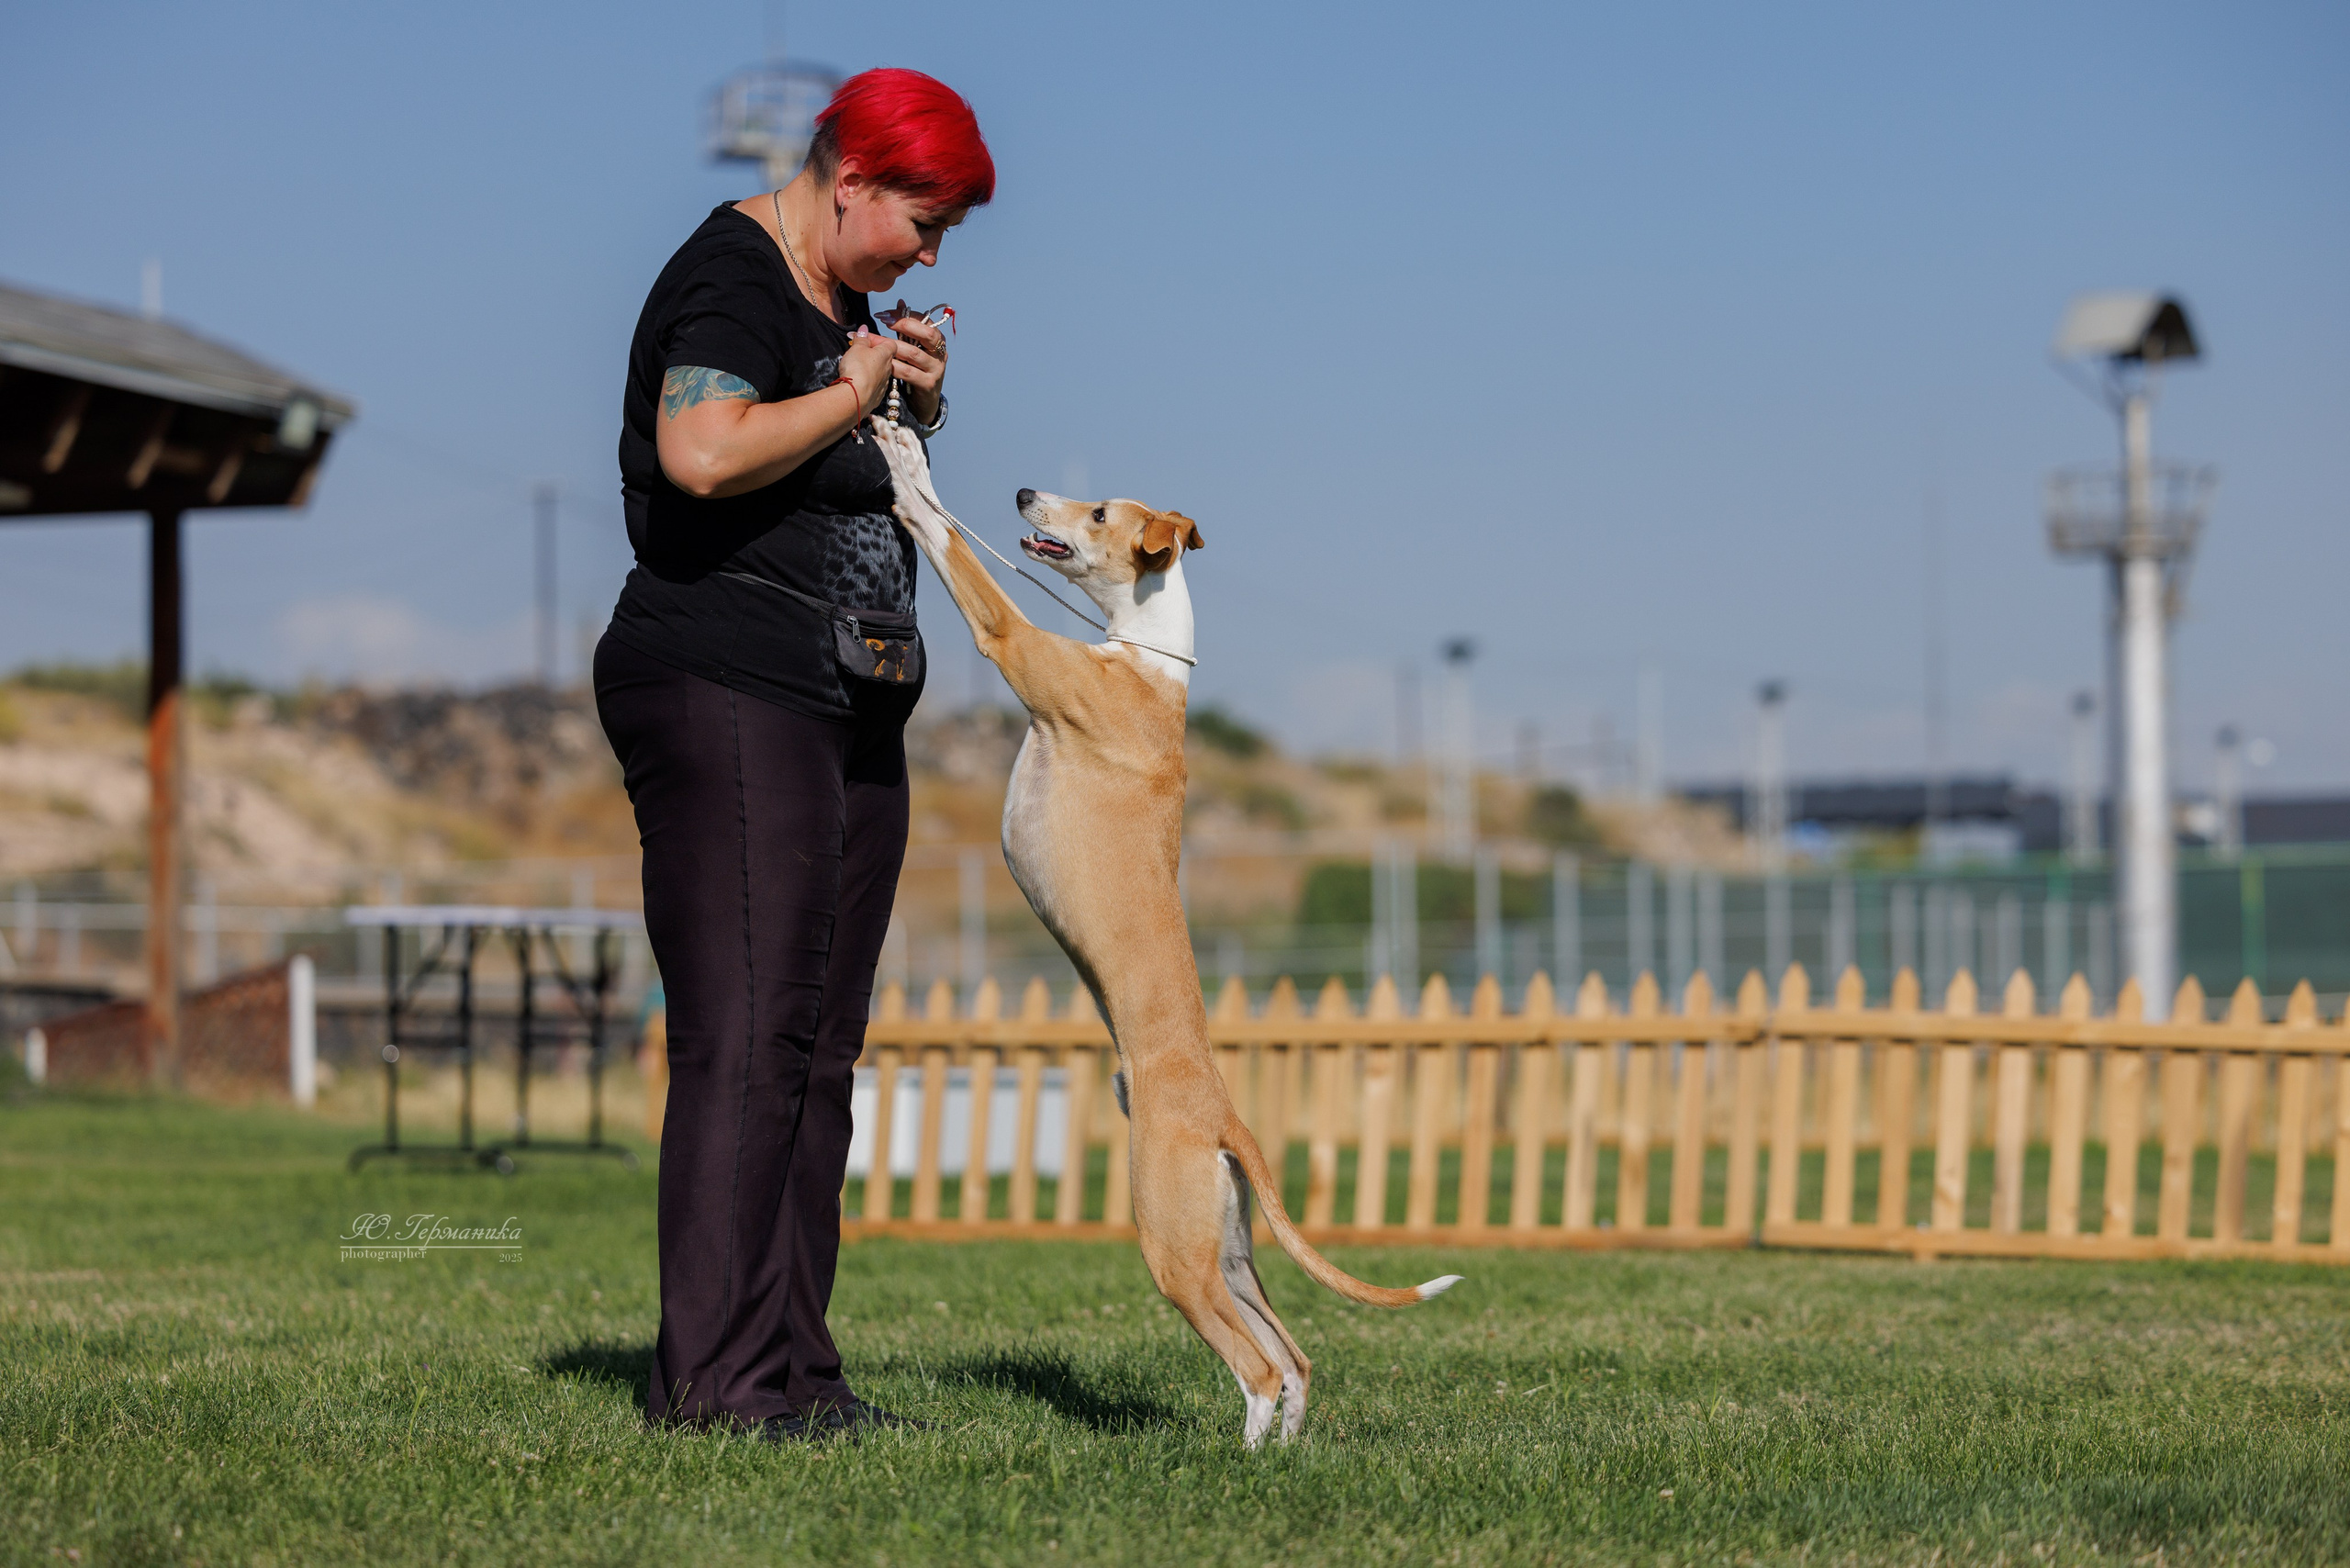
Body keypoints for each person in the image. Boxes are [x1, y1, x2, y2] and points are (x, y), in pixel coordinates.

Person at [594, 67, 993, 1440]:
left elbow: (829, 455)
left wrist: (903, 403)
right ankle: (712, 1386)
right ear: (850, 178)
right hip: (724, 682)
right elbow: (703, 450)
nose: (929, 255)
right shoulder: (729, 278)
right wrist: (852, 390)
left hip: (842, 701)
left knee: (819, 1051)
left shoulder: (839, 309)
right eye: (922, 221)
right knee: (747, 1041)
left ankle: (797, 1377)